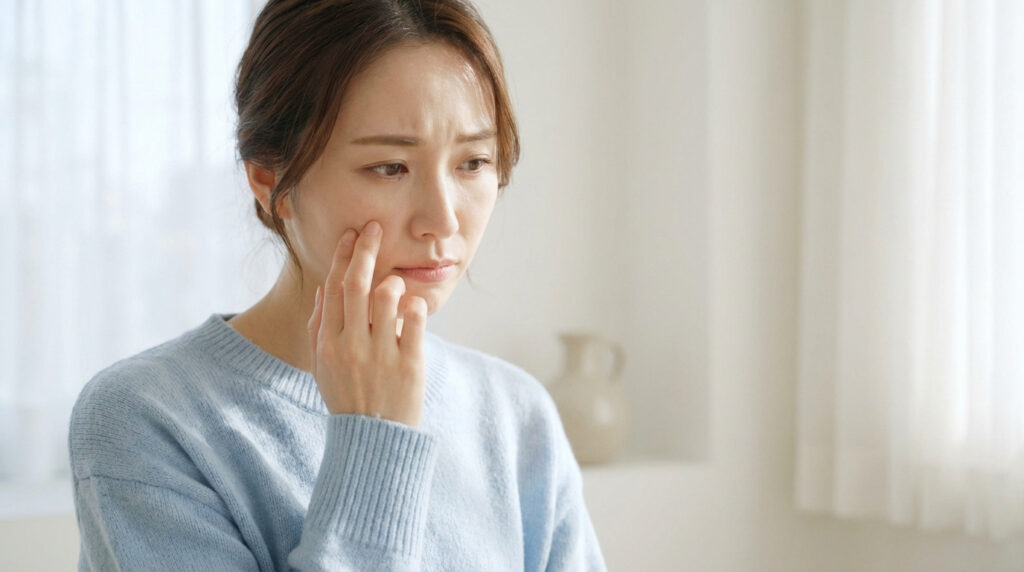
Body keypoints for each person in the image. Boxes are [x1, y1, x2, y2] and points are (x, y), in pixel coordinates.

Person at [68, 0, 608, 570]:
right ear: (269, 175)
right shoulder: (147, 420)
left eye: (473, 163)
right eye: (389, 167)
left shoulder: (517, 415)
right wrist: (374, 439)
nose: (444, 220)